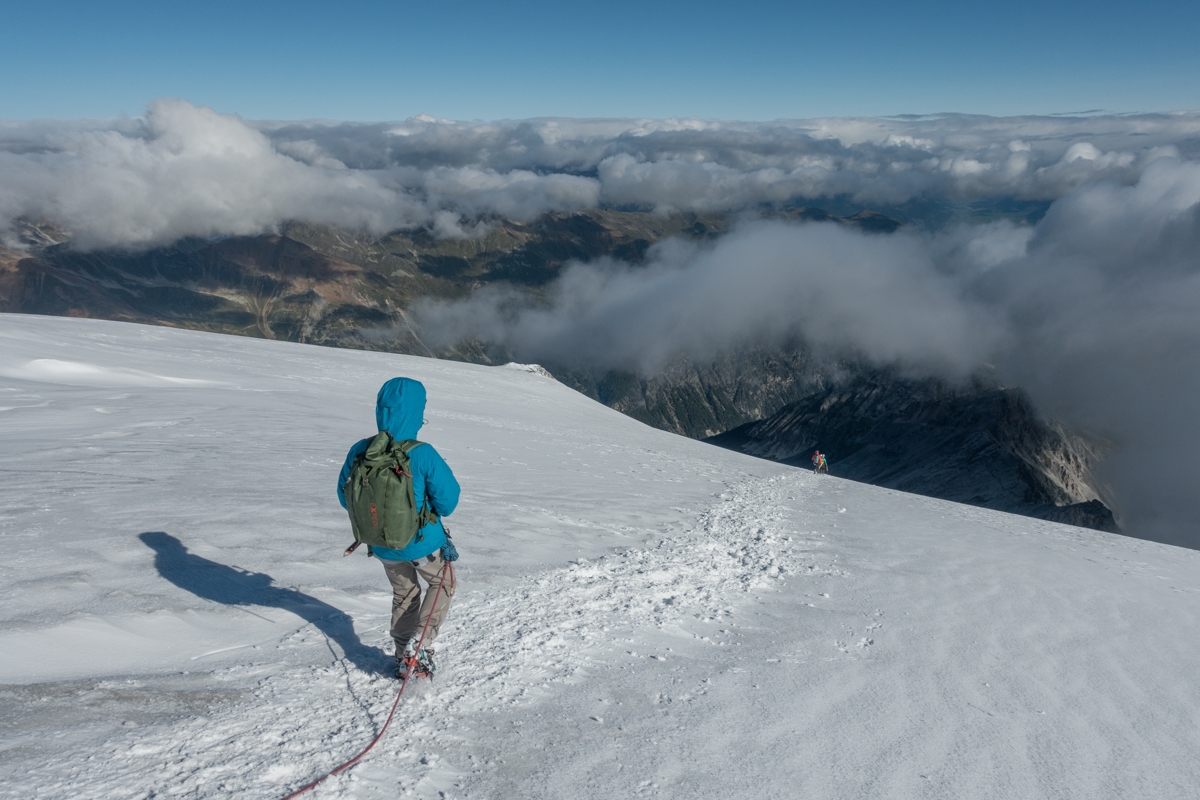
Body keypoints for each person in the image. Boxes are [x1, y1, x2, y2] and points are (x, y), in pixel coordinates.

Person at [337, 377, 460, 678]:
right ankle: (419, 648)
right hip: (421, 543)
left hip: (379, 543)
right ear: (417, 412)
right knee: (442, 583)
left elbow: (346, 497)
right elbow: (448, 502)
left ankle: (402, 652)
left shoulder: (361, 450)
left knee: (404, 594)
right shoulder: (421, 452)